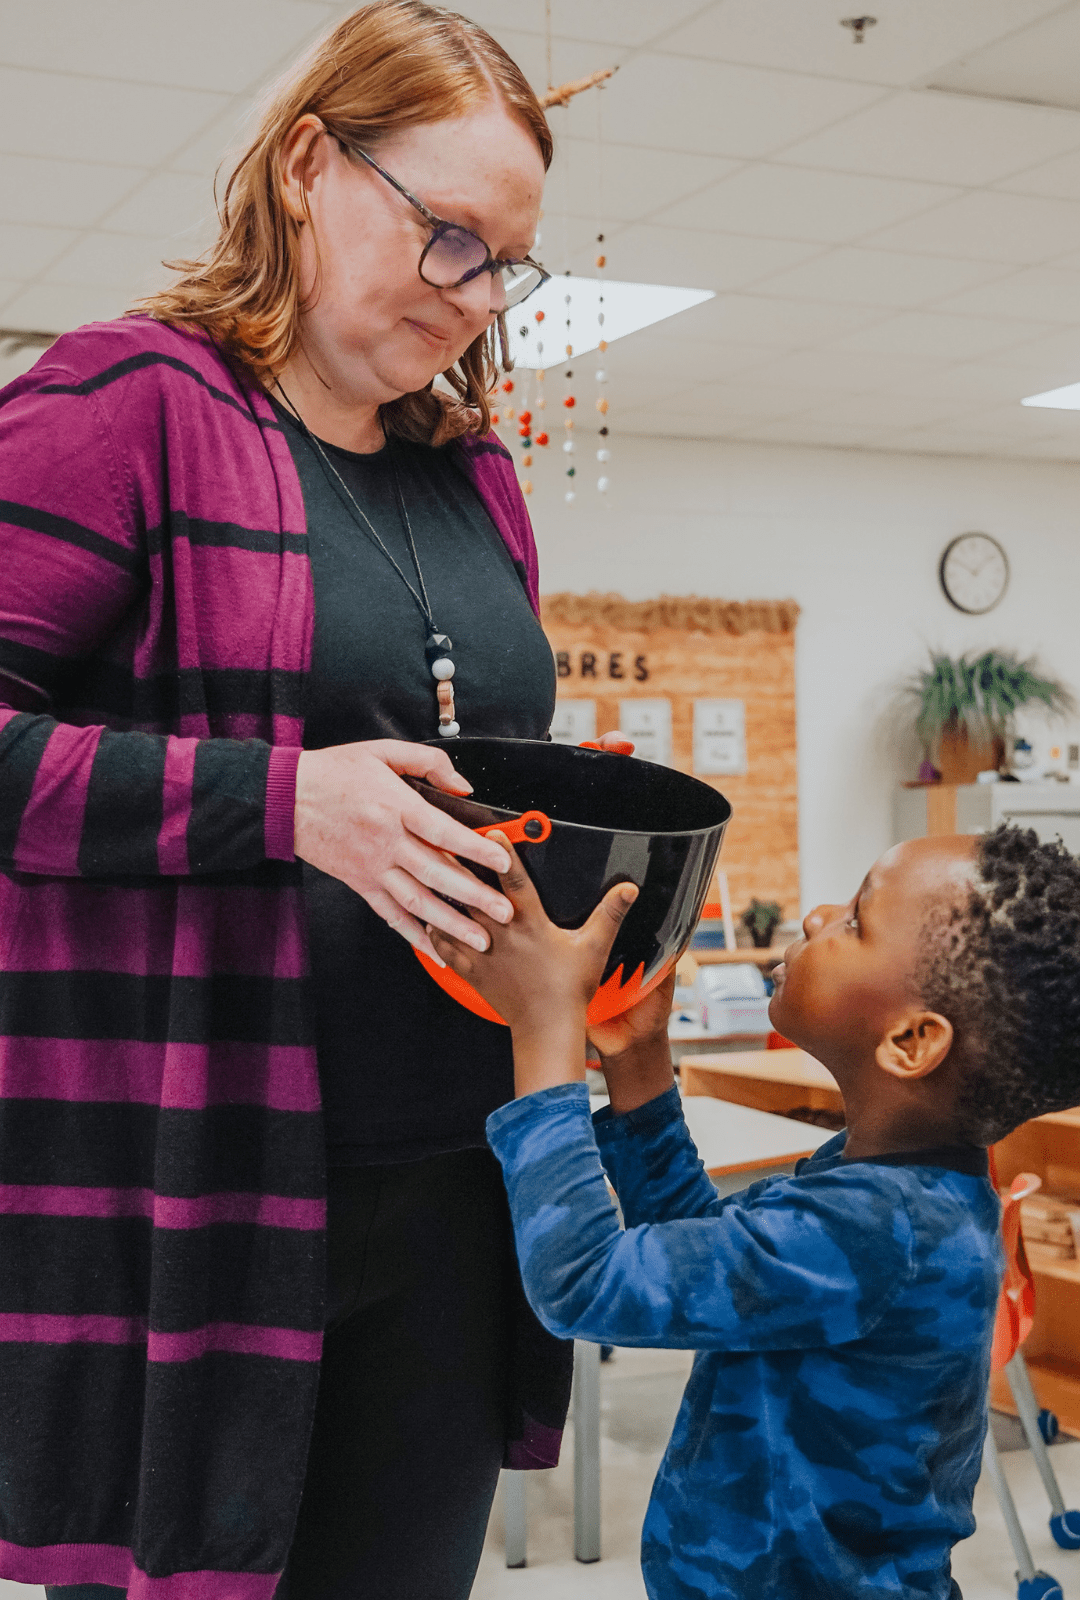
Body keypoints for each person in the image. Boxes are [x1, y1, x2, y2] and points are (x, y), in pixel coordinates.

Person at [0, 6, 629, 1598]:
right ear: (303, 167)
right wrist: (281, 804)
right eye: (444, 236)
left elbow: (456, 768)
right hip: (199, 1193)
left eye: (505, 261)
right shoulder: (127, 403)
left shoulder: (472, 473)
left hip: (451, 1185)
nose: (472, 294)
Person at [429, 824, 1080, 1599]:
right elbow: (706, 1253)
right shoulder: (887, 1190)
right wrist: (639, 1061)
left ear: (910, 1041)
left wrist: (544, 1029)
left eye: (855, 923)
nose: (816, 918)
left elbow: (581, 1280)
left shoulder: (874, 1229)